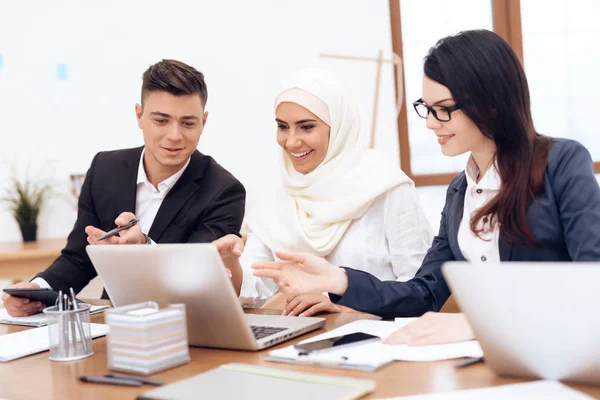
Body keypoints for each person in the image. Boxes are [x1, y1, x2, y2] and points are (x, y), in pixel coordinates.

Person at [251, 29, 600, 343]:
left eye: (443, 109)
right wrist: (338, 280)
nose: (431, 123)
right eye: (426, 108)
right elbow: (423, 294)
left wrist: (478, 326)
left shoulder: (561, 163)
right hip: (495, 360)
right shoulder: (460, 191)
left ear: (491, 105)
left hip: (562, 356)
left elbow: (592, 284)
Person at [2, 59, 246, 317]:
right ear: (139, 115)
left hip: (185, 327)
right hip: (115, 324)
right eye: (162, 121)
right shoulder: (105, 169)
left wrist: (143, 247)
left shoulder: (224, 191)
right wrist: (36, 290)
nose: (175, 135)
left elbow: (194, 278)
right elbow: (79, 258)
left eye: (188, 123)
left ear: (203, 122)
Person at [213, 68, 433, 316]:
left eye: (306, 127)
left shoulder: (385, 186)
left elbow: (418, 289)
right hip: (302, 340)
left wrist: (343, 302)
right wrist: (229, 262)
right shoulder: (278, 194)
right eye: (283, 127)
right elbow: (254, 287)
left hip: (377, 339)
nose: (292, 141)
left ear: (337, 127)